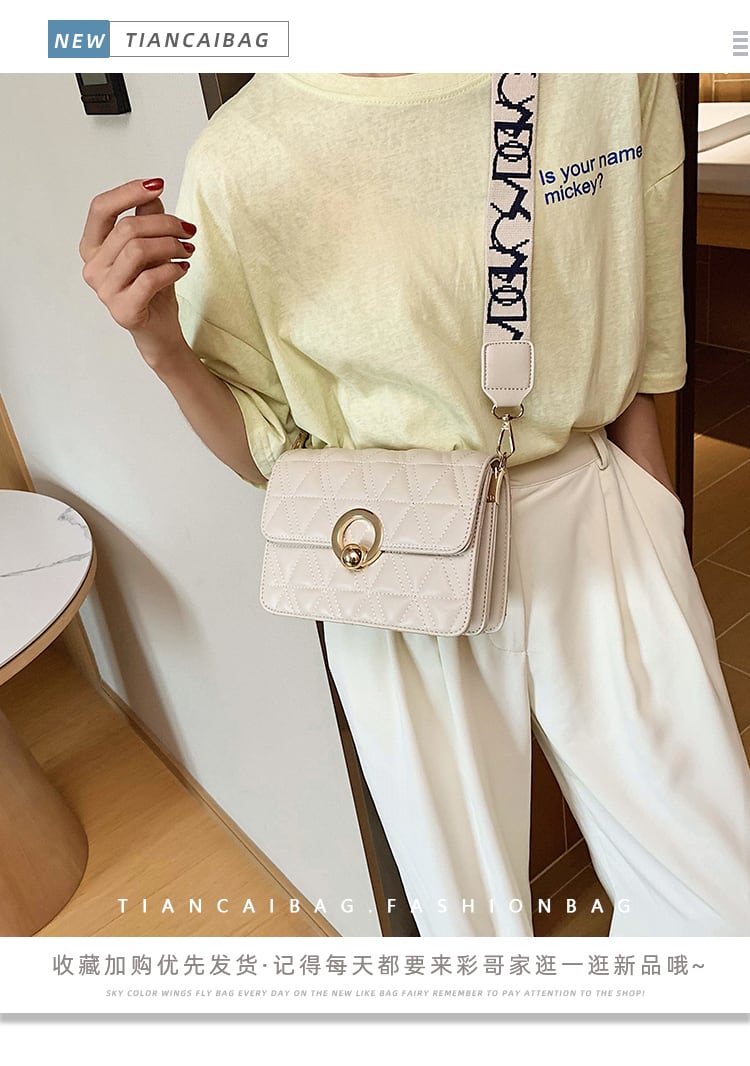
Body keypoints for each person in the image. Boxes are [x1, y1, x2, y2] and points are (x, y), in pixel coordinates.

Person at [80, 73, 750, 937]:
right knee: (467, 928)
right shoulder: (240, 156)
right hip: (390, 557)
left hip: (593, 511)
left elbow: (647, 324)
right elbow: (269, 451)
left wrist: (654, 517)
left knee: (722, 908)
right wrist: (161, 347)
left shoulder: (604, 64)